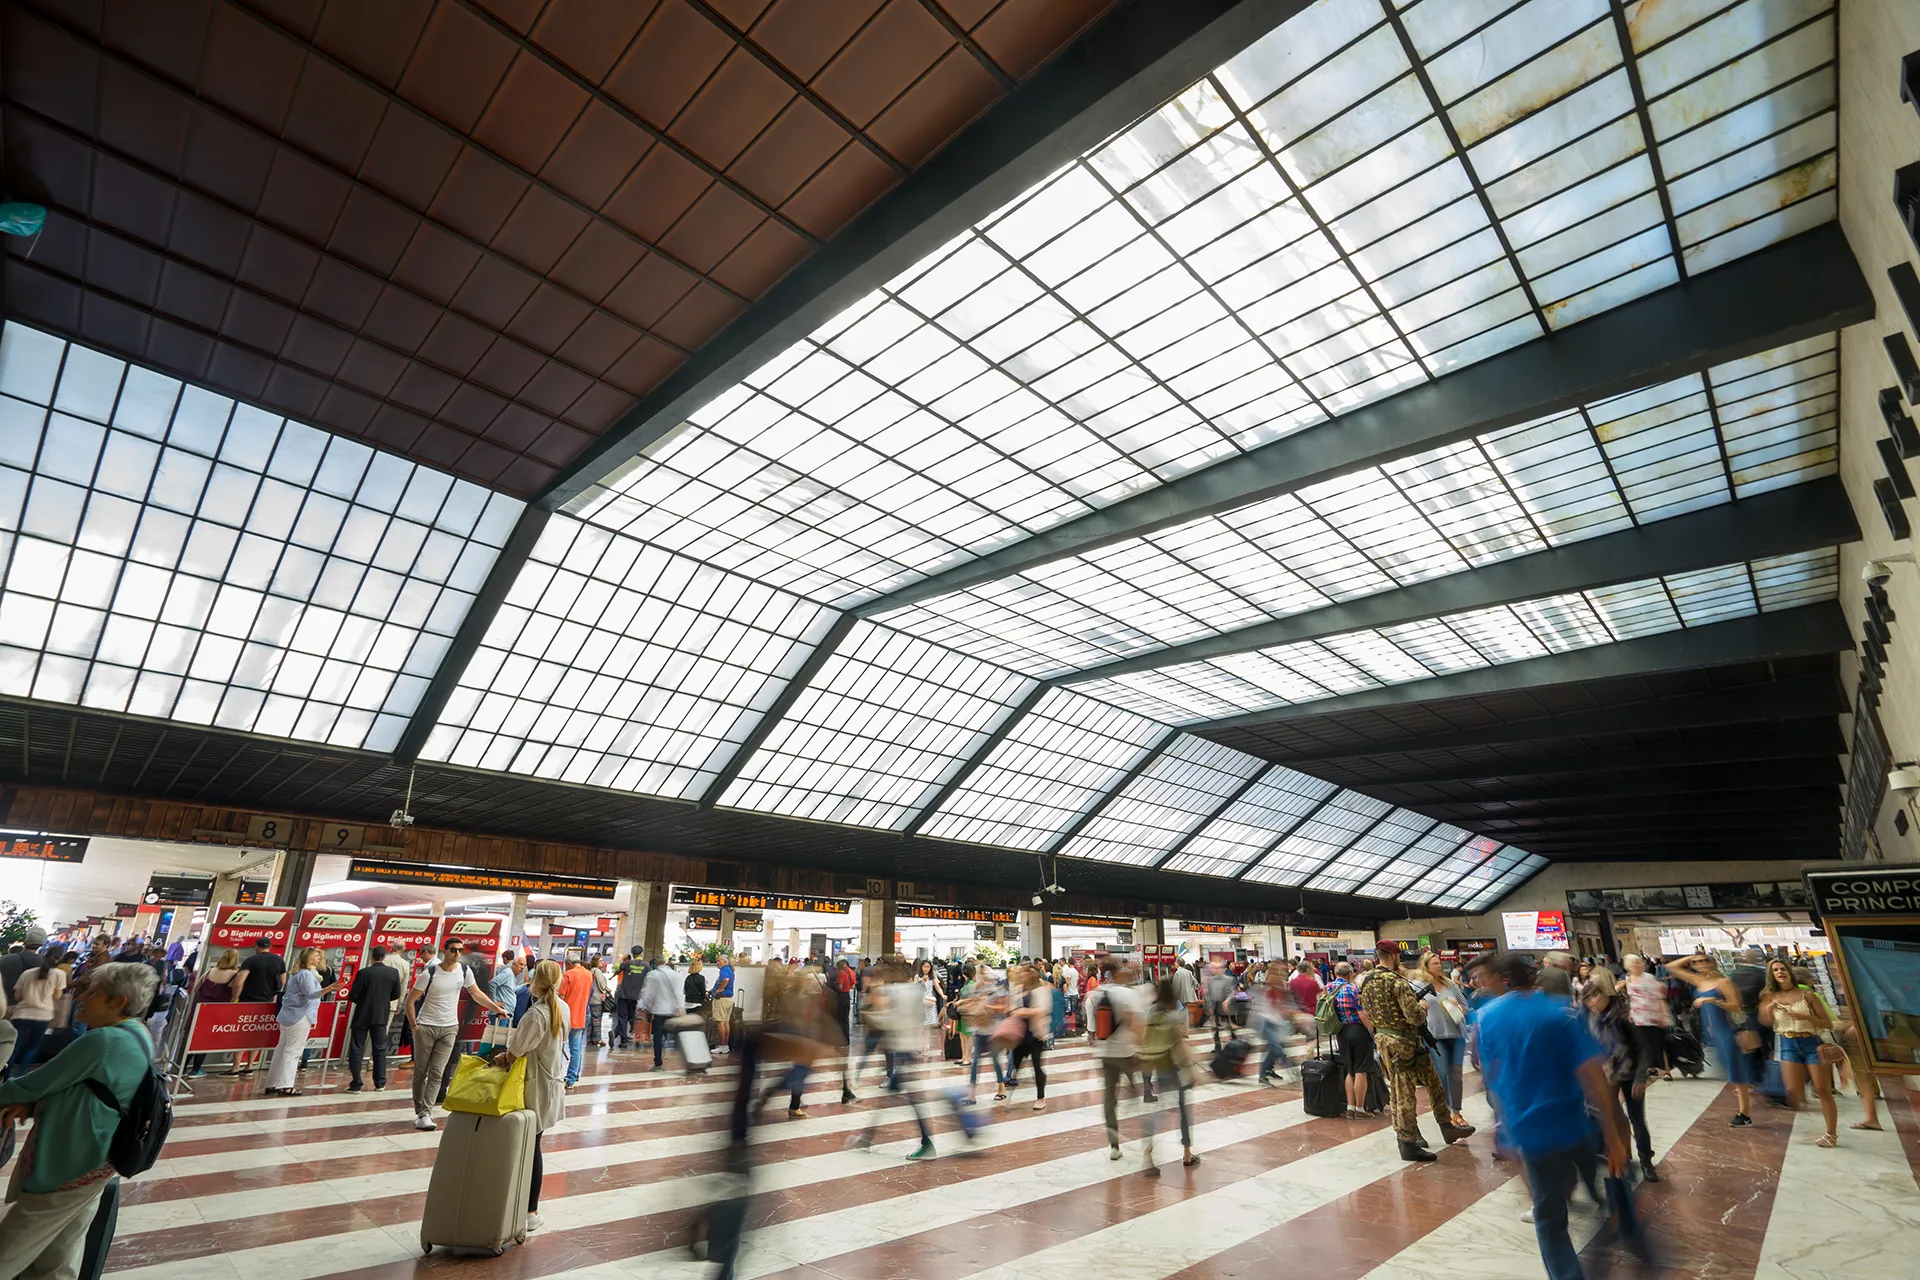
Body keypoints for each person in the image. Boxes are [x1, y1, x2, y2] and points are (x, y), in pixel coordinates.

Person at [1476, 954, 1629, 1280]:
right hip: (1572, 1123)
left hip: (1529, 1131)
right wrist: (1614, 1135)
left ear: (1503, 979)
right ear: (1534, 979)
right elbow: (1594, 1076)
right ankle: (1612, 1214)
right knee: (1592, 1174)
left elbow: (1492, 1076)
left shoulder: (1487, 1017)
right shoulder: (1561, 1015)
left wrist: (1504, 1129)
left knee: (1549, 1219)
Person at [0, 963, 157, 1279]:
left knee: (12, 1245)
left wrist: (16, 1098)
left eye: (93, 992)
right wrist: (29, 1107)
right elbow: (82, 1089)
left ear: (118, 1002)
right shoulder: (137, 1033)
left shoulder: (103, 1041)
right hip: (94, 1159)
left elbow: (36, 1083)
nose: (80, 996)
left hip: (68, 1162)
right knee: (60, 1252)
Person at [1360, 940, 1471, 1161]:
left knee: (1432, 1082)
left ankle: (1446, 1126)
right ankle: (1408, 1142)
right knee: (1405, 1094)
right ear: (1392, 956)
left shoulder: (1366, 981)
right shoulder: (1397, 983)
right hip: (1403, 1042)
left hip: (1389, 1041)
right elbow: (1414, 1016)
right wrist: (1422, 1007)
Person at [493, 959, 566, 1234]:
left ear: (534, 981)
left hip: (532, 1086)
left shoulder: (537, 1014)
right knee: (533, 1144)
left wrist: (503, 1057)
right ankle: (527, 1207)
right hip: (548, 1085)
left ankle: (530, 1210)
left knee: (529, 1147)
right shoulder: (562, 1008)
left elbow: (517, 1050)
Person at [406, 940, 507, 1131]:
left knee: (437, 1071)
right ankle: (419, 1109)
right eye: (453, 950)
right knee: (421, 1072)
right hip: (426, 1026)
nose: (457, 954)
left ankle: (425, 1113)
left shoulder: (464, 970)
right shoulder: (431, 973)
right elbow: (410, 1001)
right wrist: (415, 1026)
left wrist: (495, 1008)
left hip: (450, 1027)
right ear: (445, 951)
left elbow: (476, 993)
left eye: (460, 950)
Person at [1582, 967, 1661, 1182]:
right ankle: (1620, 1156)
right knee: (1611, 1117)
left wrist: (1641, 1077)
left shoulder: (1622, 1017)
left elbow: (1643, 1047)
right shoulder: (1588, 1018)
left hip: (1630, 1072)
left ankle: (1646, 1160)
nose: (1592, 1002)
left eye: (1595, 996)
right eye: (1588, 998)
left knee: (1637, 1119)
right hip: (1606, 1075)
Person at [1758, 957, 1839, 1147]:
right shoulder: (1769, 996)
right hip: (1787, 1043)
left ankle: (1831, 1134)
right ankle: (1815, 1125)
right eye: (1776, 970)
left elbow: (1827, 1023)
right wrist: (1769, 1009)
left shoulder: (1808, 995)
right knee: (1793, 1091)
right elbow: (1766, 1022)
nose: (1780, 972)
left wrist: (1806, 1017)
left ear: (1790, 972)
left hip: (1811, 1042)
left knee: (1822, 1090)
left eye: (1783, 969)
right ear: (1772, 975)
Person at [1672, 954, 1756, 1124]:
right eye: (1696, 962)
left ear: (1713, 963)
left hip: (1727, 1030)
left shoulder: (1723, 982)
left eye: (1704, 960)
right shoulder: (1699, 981)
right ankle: (1745, 1104)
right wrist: (1692, 956)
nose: (1701, 964)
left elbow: (1735, 1006)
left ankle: (1745, 1113)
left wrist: (1713, 1000)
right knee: (1731, 1070)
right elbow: (1672, 967)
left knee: (1736, 1071)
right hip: (1712, 1032)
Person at [1139, 975, 1199, 1174]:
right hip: (1176, 1067)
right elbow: (1180, 1045)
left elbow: (1145, 1038)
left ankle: (1148, 1152)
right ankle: (1187, 1153)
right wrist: (1191, 1068)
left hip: (1160, 1066)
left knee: (1160, 1111)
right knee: (1183, 1109)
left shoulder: (1150, 1012)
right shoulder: (1174, 1013)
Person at [1088, 960, 1144, 1158]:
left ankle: (1114, 1146)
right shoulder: (1129, 994)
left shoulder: (1098, 992)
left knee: (1109, 1097)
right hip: (1126, 1052)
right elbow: (1134, 1022)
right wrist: (1142, 1046)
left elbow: (1092, 1022)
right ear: (1120, 974)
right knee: (1138, 1091)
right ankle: (1147, 1139)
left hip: (1105, 1053)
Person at [265, 947, 335, 1097]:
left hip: (288, 1015)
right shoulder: (307, 975)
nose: (319, 959)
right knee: (293, 1051)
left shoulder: (299, 974)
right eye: (316, 956)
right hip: (300, 1016)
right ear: (309, 958)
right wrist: (329, 988)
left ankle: (273, 1083)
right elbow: (311, 994)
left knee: (282, 1049)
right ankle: (286, 1085)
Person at [1420, 951, 1471, 1128]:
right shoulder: (1420, 986)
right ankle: (1446, 1110)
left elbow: (1465, 1006)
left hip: (1456, 1032)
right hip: (1435, 1035)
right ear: (1426, 967)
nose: (1439, 966)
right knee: (1442, 1072)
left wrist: (1459, 1008)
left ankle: (1456, 1111)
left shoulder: (1450, 984)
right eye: (1435, 964)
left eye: (1439, 963)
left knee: (1456, 1073)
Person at [345, 944, 402, 1092]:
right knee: (380, 1049)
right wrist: (382, 1000)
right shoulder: (393, 973)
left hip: (362, 1014)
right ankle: (380, 1083)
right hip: (381, 1015)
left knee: (357, 1048)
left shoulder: (364, 973)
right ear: (384, 957)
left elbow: (353, 996)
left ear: (372, 957)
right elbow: (396, 994)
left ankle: (356, 1084)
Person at [6, 946, 68, 1072]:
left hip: (21, 1013)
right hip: (43, 1015)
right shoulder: (59, 974)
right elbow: (57, 996)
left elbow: (17, 996)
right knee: (34, 1046)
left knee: (14, 1046)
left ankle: (5, 1075)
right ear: (60, 958)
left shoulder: (27, 973)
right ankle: (21, 1074)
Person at [184, 947, 243, 1077]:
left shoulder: (211, 970)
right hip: (217, 1011)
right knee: (205, 1040)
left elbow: (196, 988)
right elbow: (235, 994)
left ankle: (182, 1068)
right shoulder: (235, 974)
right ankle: (196, 1070)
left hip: (199, 1008)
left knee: (192, 1038)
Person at [231, 937, 286, 1075]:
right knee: (257, 1033)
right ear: (270, 947)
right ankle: (249, 1066)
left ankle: (235, 1068)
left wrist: (234, 999)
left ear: (256, 946)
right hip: (267, 1002)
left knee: (241, 1034)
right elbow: (283, 981)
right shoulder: (279, 960)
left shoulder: (251, 960)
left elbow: (239, 982)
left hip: (247, 1001)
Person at [954, 962, 1007, 1103]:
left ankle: (1001, 1087)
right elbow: (972, 1001)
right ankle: (971, 1093)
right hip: (979, 1029)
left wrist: (986, 1006)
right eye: (980, 973)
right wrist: (964, 1004)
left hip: (993, 1030)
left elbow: (1002, 1008)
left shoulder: (998, 989)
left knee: (995, 1060)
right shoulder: (976, 988)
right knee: (976, 1060)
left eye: (984, 973)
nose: (982, 976)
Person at [1327, 962, 1372, 1117]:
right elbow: (1362, 1013)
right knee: (1361, 1070)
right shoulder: (1353, 989)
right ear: (1349, 974)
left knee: (1349, 1070)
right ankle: (1360, 1109)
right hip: (1357, 1030)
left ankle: (1350, 1107)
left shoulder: (1328, 988)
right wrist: (1372, 1031)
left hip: (1341, 1031)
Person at [1006, 963, 1050, 1111]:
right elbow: (1012, 1009)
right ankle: (1009, 1094)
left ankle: (1040, 1097)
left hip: (1036, 1034)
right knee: (1015, 1066)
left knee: (1037, 1067)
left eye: (1027, 974)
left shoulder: (1041, 990)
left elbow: (1044, 1009)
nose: (1023, 976)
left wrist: (1025, 1011)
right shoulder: (1017, 990)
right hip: (1019, 1034)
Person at [1621, 953, 1673, 1076]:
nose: (1636, 965)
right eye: (1633, 964)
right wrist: (1631, 1011)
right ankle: (1651, 1067)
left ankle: (1666, 1070)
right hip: (1638, 1015)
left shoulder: (1648, 977)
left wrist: (1662, 1015)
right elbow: (1631, 997)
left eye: (1638, 962)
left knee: (1658, 1041)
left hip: (1653, 1014)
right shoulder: (1628, 979)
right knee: (1644, 1043)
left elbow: (1660, 994)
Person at [642, 955, 686, 1071]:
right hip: (673, 1010)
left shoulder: (653, 975)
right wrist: (681, 1008)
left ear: (656, 963)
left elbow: (649, 994)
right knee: (678, 1035)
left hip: (659, 1010)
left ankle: (658, 1062)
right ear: (665, 962)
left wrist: (645, 1006)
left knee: (658, 1036)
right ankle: (688, 1060)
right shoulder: (676, 975)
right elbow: (679, 993)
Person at [557, 958, 592, 1087]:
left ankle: (556, 1076)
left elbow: (560, 997)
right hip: (582, 1015)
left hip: (566, 1017)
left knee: (558, 1046)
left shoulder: (568, 975)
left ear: (569, 964)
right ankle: (572, 1078)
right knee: (576, 1049)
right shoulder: (589, 974)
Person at [611, 947, 647, 1050]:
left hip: (624, 995)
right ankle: (623, 1035)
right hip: (636, 996)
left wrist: (622, 958)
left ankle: (623, 1040)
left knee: (622, 1017)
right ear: (641, 953)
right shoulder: (646, 966)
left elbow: (616, 967)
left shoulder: (627, 964)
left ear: (632, 953)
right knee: (632, 1017)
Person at [0, 927, 46, 1004]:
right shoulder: (45, 963)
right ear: (42, 944)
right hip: (28, 1007)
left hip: (4, 1003)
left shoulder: (5, 959)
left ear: (25, 942)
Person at [709, 952, 736, 1055]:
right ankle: (725, 1046)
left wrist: (718, 990)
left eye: (719, 960)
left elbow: (725, 980)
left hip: (721, 999)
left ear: (724, 962)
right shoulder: (730, 970)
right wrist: (713, 989)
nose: (717, 962)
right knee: (725, 1022)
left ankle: (722, 1046)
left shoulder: (724, 970)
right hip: (728, 999)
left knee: (720, 1022)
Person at [1204, 961, 1235, 1049]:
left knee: (1228, 1025)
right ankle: (1217, 1045)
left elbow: (1231, 992)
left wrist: (1227, 1001)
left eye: (1217, 968)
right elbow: (1208, 994)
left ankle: (1234, 1041)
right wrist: (1208, 1006)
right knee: (1215, 1027)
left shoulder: (1228, 979)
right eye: (1213, 968)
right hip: (1215, 1005)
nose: (1215, 970)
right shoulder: (1210, 980)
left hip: (1224, 1005)